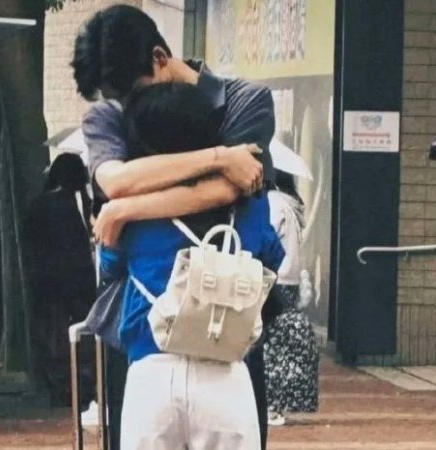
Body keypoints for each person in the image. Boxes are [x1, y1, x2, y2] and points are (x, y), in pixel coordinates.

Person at [71, 5, 277, 449]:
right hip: (168, 352)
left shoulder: (245, 100)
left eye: (130, 93)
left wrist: (124, 212)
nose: (124, 108)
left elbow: (231, 190)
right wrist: (221, 156)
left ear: (160, 58)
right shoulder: (107, 114)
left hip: (214, 343)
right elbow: (117, 180)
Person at [99, 81, 284, 449]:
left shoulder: (132, 213)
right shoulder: (248, 203)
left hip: (151, 372)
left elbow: (109, 268)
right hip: (224, 371)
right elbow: (273, 257)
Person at [25, 153, 95, 408]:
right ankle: (83, 389)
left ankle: (62, 391)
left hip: (47, 285)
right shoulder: (77, 202)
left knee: (54, 339)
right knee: (82, 337)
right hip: (77, 282)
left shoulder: (39, 205)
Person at [263, 170, 319, 426]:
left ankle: (270, 405)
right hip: (292, 280)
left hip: (277, 278)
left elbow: (269, 239)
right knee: (281, 345)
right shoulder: (292, 205)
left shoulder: (273, 203)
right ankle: (276, 405)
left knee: (270, 345)